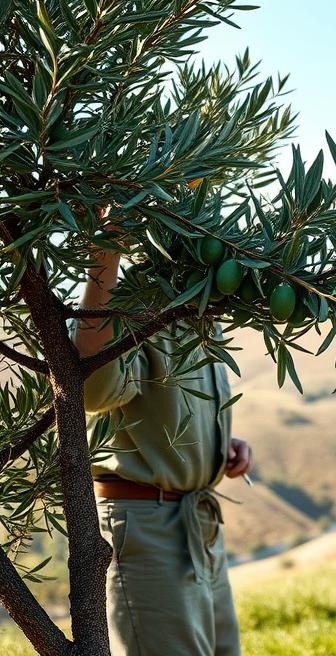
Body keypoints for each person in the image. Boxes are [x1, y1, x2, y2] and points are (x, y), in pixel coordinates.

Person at [73, 244, 252, 655]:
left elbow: (171, 410)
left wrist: (220, 443)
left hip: (198, 523)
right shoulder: (133, 301)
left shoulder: (199, 302)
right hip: (145, 526)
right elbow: (93, 390)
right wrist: (106, 251)